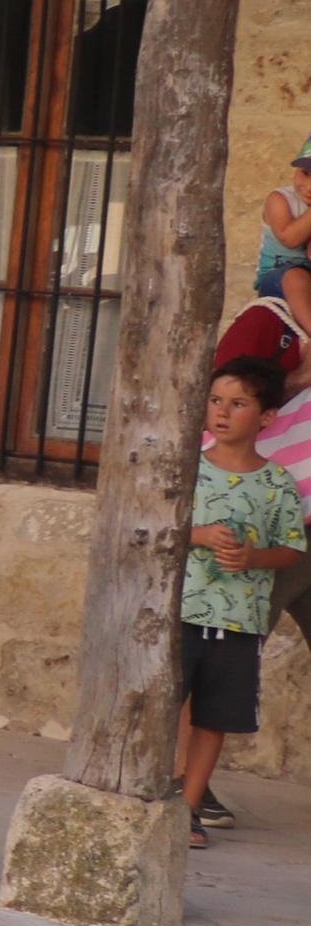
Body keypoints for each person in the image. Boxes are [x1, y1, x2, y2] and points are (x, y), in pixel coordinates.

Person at [181, 358, 305, 847]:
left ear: (267, 418)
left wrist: (253, 555)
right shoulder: (188, 470)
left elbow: (292, 548)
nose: (222, 412)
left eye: (238, 404)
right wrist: (200, 535)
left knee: (214, 717)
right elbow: (151, 527)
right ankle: (161, 792)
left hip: (239, 622)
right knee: (170, 706)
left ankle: (188, 809)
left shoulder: (276, 484)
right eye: (216, 401)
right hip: (180, 612)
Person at [256, 144, 311, 307]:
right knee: (295, 278)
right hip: (278, 279)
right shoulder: (280, 199)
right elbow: (289, 238)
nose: (309, 187)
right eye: (305, 173)